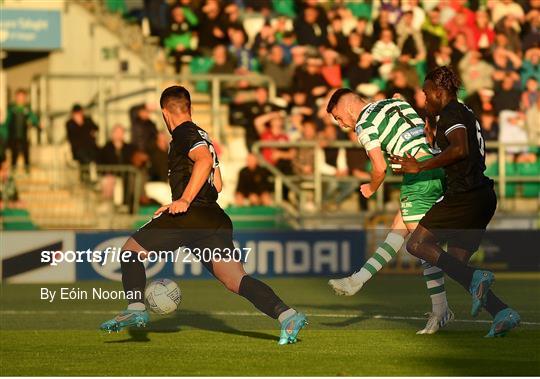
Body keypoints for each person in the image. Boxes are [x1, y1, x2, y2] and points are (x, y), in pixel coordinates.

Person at [100, 86, 307, 345]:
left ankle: (136, 309)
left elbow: (204, 162)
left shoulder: (183, 133)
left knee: (130, 252)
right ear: (190, 108)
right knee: (235, 280)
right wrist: (179, 199)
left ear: (165, 113)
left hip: (192, 213)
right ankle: (287, 315)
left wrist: (185, 199)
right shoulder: (202, 135)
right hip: (214, 218)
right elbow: (217, 185)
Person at [390, 66, 520, 337]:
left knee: (416, 244)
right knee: (459, 267)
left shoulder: (451, 113)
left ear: (439, 92)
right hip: (482, 197)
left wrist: (420, 167)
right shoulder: (463, 112)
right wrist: (432, 137)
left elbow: (460, 149)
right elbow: (460, 148)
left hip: (465, 197)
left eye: (426, 94)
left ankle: (478, 280)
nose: (424, 100)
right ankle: (502, 312)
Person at [325, 88, 452, 334]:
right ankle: (357, 280)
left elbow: (379, 168)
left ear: (347, 107)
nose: (341, 125)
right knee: (398, 231)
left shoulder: (365, 124)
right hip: (437, 167)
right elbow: (399, 99)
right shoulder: (393, 105)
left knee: (425, 249)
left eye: (338, 118)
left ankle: (456, 305)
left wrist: (371, 188)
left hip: (419, 178)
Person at [5, 89, 39, 172]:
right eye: (19, 97)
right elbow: (6, 122)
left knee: (26, 155)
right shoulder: (11, 109)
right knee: (14, 155)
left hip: (24, 137)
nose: (20, 99)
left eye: (22, 97)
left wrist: (31, 121)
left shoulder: (27, 109)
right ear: (16, 97)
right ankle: (13, 173)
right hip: (13, 137)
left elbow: (35, 119)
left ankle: (27, 171)